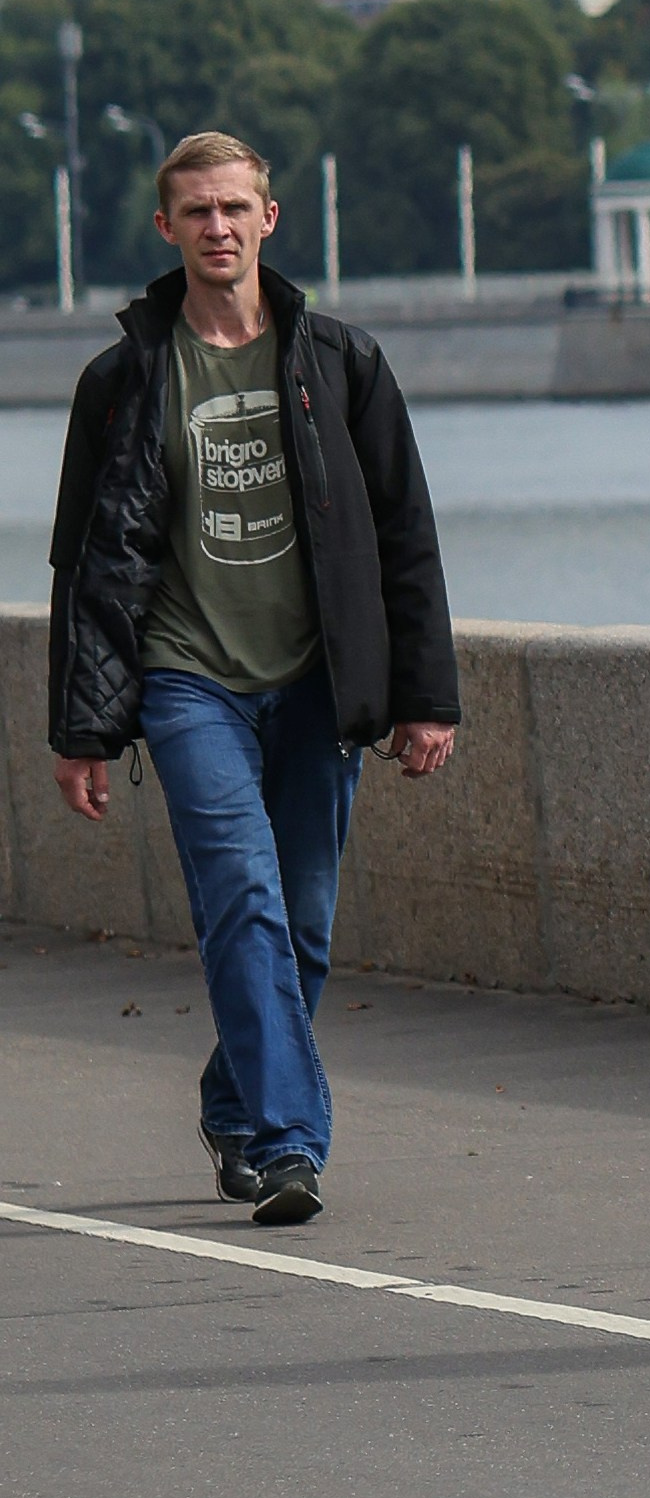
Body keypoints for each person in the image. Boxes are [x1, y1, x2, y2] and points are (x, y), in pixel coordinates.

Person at [48, 129, 458, 1227]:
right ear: (166, 228)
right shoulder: (124, 379)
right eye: (197, 212)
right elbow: (86, 561)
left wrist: (426, 695)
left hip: (317, 681)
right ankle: (287, 1146)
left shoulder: (342, 362)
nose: (217, 228)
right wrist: (82, 725)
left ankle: (235, 1099)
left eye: (235, 208)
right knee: (243, 901)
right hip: (190, 682)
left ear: (269, 219)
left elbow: (404, 536)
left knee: (306, 925)